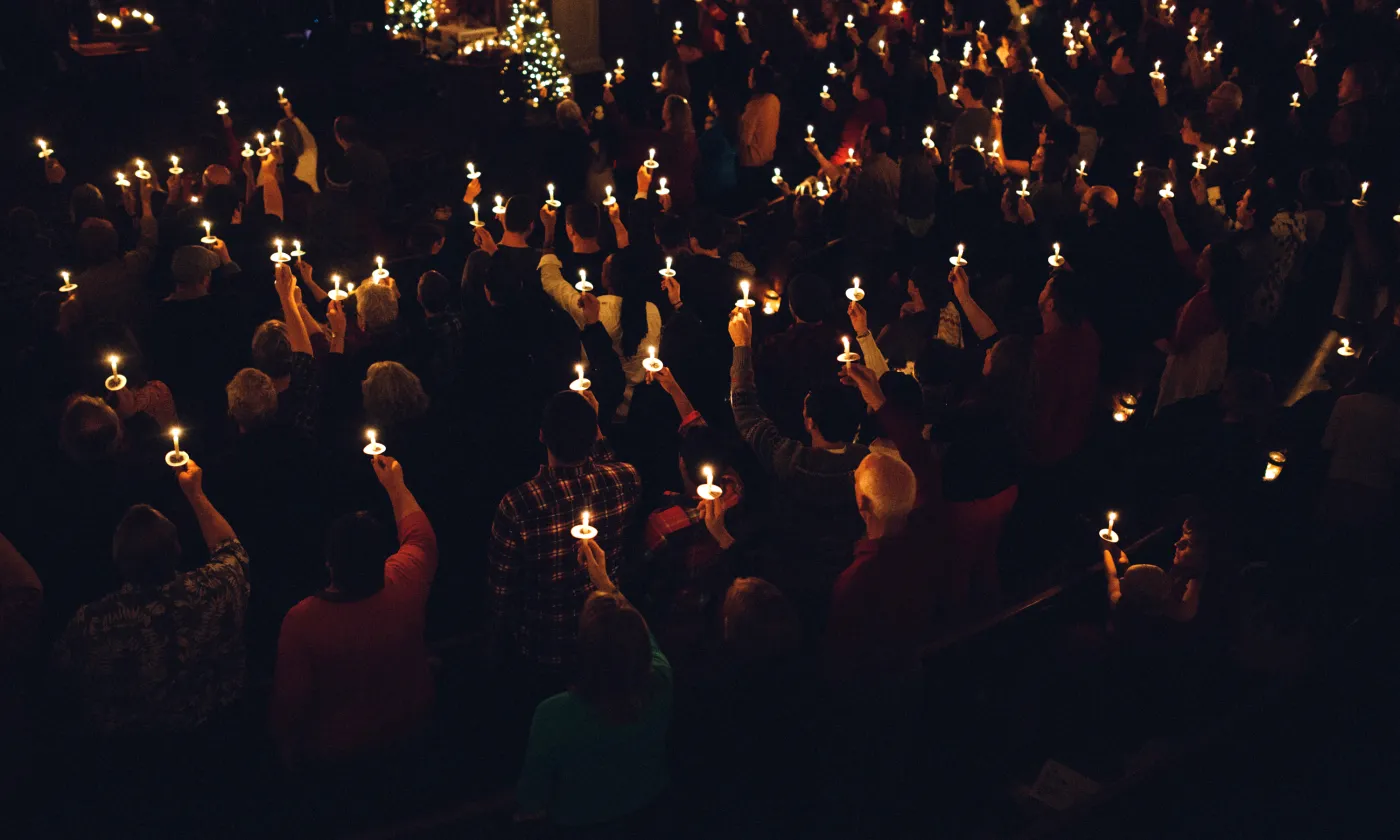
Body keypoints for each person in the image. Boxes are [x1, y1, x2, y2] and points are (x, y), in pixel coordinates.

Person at [51, 459, 249, 734]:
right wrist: (196, 494)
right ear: (177, 548)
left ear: (119, 562)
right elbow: (230, 547)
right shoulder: (219, 586)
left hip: (132, 747)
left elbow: (63, 672)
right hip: (218, 726)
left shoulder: (94, 623)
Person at [269, 455, 438, 766]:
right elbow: (421, 537)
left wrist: (287, 752)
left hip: (339, 754)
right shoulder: (406, 579)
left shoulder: (302, 622)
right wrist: (395, 485)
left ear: (329, 564)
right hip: (412, 730)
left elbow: (290, 703)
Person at [516, 540, 672, 830]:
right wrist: (605, 583)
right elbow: (638, 629)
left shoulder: (554, 714)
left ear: (585, 648)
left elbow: (532, 795)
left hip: (581, 822)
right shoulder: (662, 679)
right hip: (650, 806)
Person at [488, 390, 642, 679]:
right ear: (595, 435)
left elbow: (502, 592)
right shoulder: (626, 479)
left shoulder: (519, 504)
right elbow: (610, 468)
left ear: (542, 436)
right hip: (608, 637)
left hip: (546, 646)